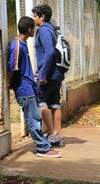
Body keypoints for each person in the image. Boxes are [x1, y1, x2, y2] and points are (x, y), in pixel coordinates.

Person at [7, 16, 61, 158]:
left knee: (36, 117)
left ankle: (44, 145)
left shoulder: (22, 44)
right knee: (33, 119)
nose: (35, 31)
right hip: (24, 88)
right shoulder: (17, 45)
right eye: (34, 28)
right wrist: (8, 83)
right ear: (29, 29)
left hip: (29, 87)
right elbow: (13, 67)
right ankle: (42, 148)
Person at [32, 4, 64, 146]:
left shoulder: (44, 30)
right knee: (55, 104)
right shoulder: (52, 29)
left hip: (48, 75)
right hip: (56, 73)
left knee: (41, 102)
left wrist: (43, 75)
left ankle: (51, 134)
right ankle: (58, 136)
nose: (34, 19)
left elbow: (49, 52)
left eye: (35, 16)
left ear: (42, 17)